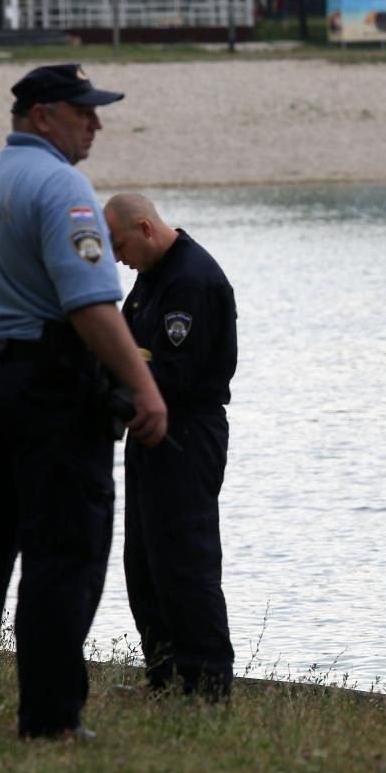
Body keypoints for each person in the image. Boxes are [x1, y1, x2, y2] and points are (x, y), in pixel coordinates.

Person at [0, 64, 167, 740]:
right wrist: (144, 389)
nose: (95, 122)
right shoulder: (64, 187)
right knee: (64, 550)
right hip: (49, 387)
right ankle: (51, 716)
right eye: (82, 110)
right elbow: (89, 303)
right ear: (40, 116)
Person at [104, 193, 237, 703]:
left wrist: (118, 384)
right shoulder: (152, 276)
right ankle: (162, 675)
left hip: (186, 431)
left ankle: (206, 684)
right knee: (145, 562)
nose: (116, 257)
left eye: (119, 244)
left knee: (186, 559)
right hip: (146, 431)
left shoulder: (191, 280)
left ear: (143, 227)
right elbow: (126, 347)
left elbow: (171, 374)